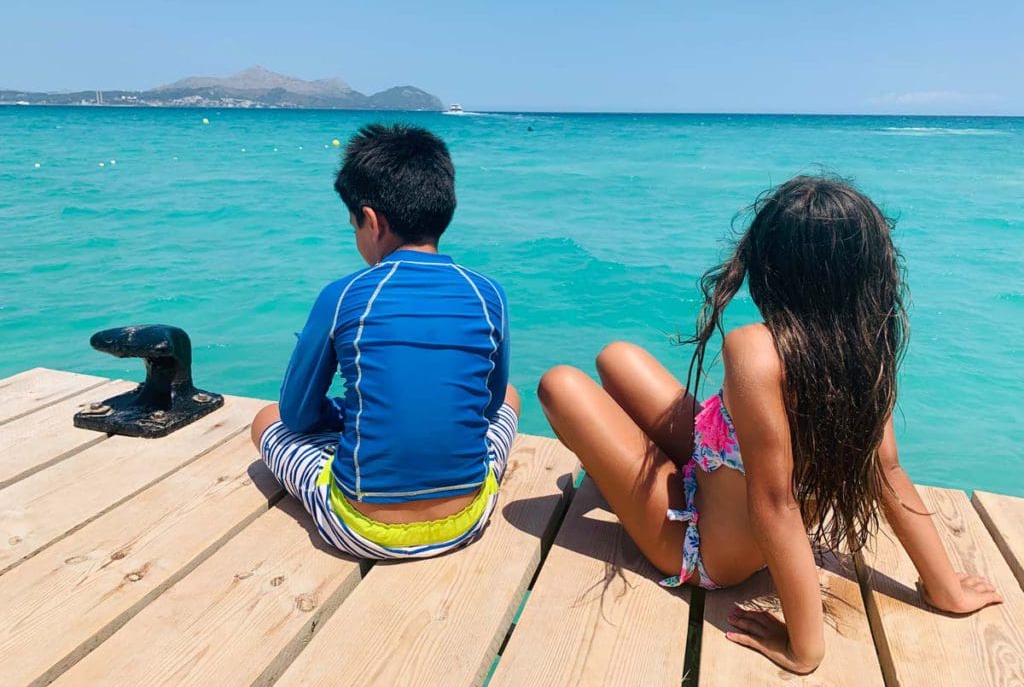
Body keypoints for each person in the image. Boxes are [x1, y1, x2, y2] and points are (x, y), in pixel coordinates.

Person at [536, 176, 1001, 673]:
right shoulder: (865, 348)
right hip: (725, 494)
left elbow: (774, 501)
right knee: (617, 358)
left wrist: (805, 648)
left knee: (559, 384)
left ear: (768, 266)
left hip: (703, 551)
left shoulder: (755, 350)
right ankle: (639, 483)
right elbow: (887, 472)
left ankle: (631, 496)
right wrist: (945, 588)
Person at [251, 123, 518, 560]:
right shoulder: (488, 293)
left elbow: (296, 417)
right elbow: (487, 409)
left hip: (361, 528)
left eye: (354, 226)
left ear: (372, 222)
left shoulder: (343, 295)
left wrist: (343, 412)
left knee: (266, 419)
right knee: (510, 396)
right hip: (468, 517)